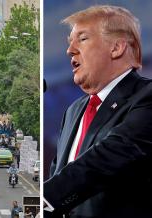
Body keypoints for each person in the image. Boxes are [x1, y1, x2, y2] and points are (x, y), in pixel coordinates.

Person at [44, 5, 152, 218]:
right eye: (69, 42)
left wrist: (44, 198)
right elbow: (58, 172)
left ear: (116, 48)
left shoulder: (146, 97)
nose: (70, 50)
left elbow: (108, 156)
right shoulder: (74, 111)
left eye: (82, 39)